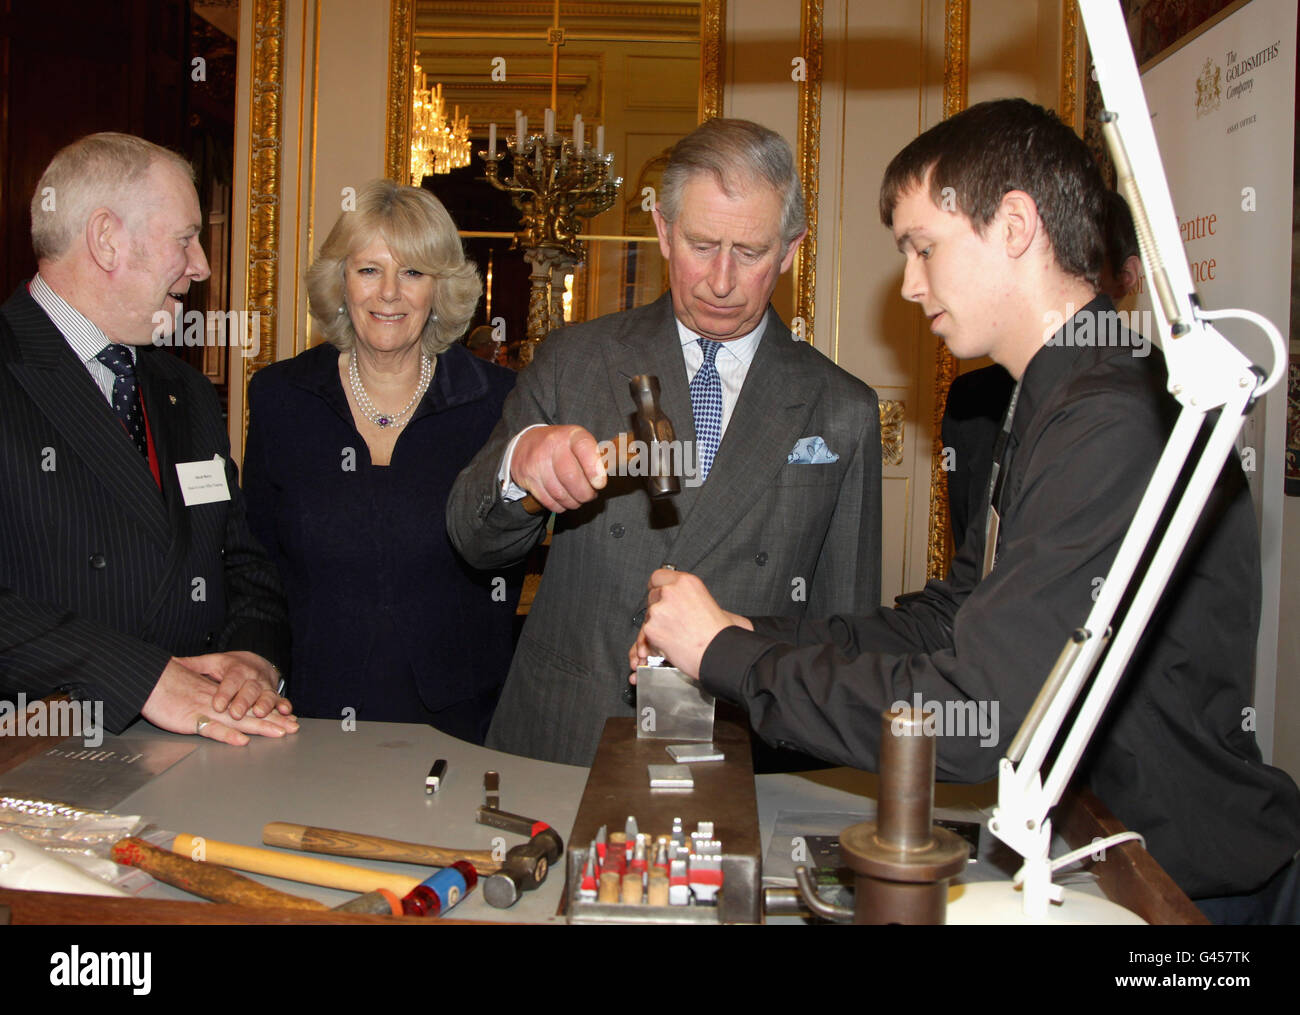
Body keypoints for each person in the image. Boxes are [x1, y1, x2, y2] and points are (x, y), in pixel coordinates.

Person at [634, 99, 1300, 915]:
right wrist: (741, 631)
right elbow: (953, 619)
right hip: (1102, 851)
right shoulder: (1049, 399)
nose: (910, 283)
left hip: (1180, 888)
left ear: (1014, 225)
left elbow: (973, 710)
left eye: (924, 247)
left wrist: (727, 655)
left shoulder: (1112, 416)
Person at [447, 118, 882, 766]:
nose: (722, 280)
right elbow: (472, 540)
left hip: (742, 753)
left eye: (751, 251)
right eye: (702, 244)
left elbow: (842, 640)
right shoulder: (575, 361)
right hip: (566, 740)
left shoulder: (842, 409)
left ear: (791, 249)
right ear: (662, 228)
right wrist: (522, 467)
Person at [0, 132, 296, 746]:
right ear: (107, 238)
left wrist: (252, 660)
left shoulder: (183, 391)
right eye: (186, 239)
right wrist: (142, 679)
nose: (202, 267)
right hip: (44, 760)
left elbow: (241, 561)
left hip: (199, 754)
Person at [242, 180, 520, 742]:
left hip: (462, 718)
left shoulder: (499, 401)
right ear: (340, 283)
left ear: (440, 289)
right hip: (308, 712)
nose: (389, 293)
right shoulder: (280, 397)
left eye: (413, 273)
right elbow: (257, 563)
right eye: (370, 270)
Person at [943, 189, 1142, 553]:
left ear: (1126, 277)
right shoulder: (970, 401)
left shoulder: (1141, 401)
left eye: (1089, 269)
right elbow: (972, 568)